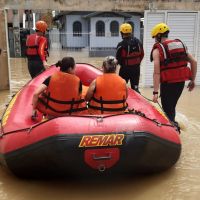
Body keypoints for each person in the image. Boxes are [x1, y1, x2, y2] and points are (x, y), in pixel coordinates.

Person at [150, 22, 197, 127]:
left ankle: (173, 132)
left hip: (168, 84)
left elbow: (156, 73)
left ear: (158, 36)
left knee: (168, 109)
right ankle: (173, 125)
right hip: (180, 83)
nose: (154, 40)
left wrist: (155, 92)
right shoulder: (179, 45)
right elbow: (194, 61)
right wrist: (192, 81)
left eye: (154, 37)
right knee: (171, 107)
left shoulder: (157, 50)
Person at [116, 23, 144, 93]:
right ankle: (138, 102)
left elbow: (118, 59)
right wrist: (137, 62)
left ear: (121, 32)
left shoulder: (121, 44)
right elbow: (142, 54)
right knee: (135, 89)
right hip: (136, 69)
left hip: (125, 69)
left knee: (121, 88)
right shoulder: (138, 42)